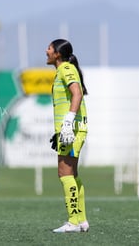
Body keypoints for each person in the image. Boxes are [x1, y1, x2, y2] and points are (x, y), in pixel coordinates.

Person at [47, 39, 89, 233]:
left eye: (49, 48)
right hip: (71, 129)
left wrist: (67, 123)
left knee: (64, 174)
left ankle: (73, 221)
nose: (46, 51)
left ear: (57, 54)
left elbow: (77, 93)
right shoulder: (62, 70)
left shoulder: (65, 69)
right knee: (72, 174)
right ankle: (81, 221)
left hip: (71, 129)